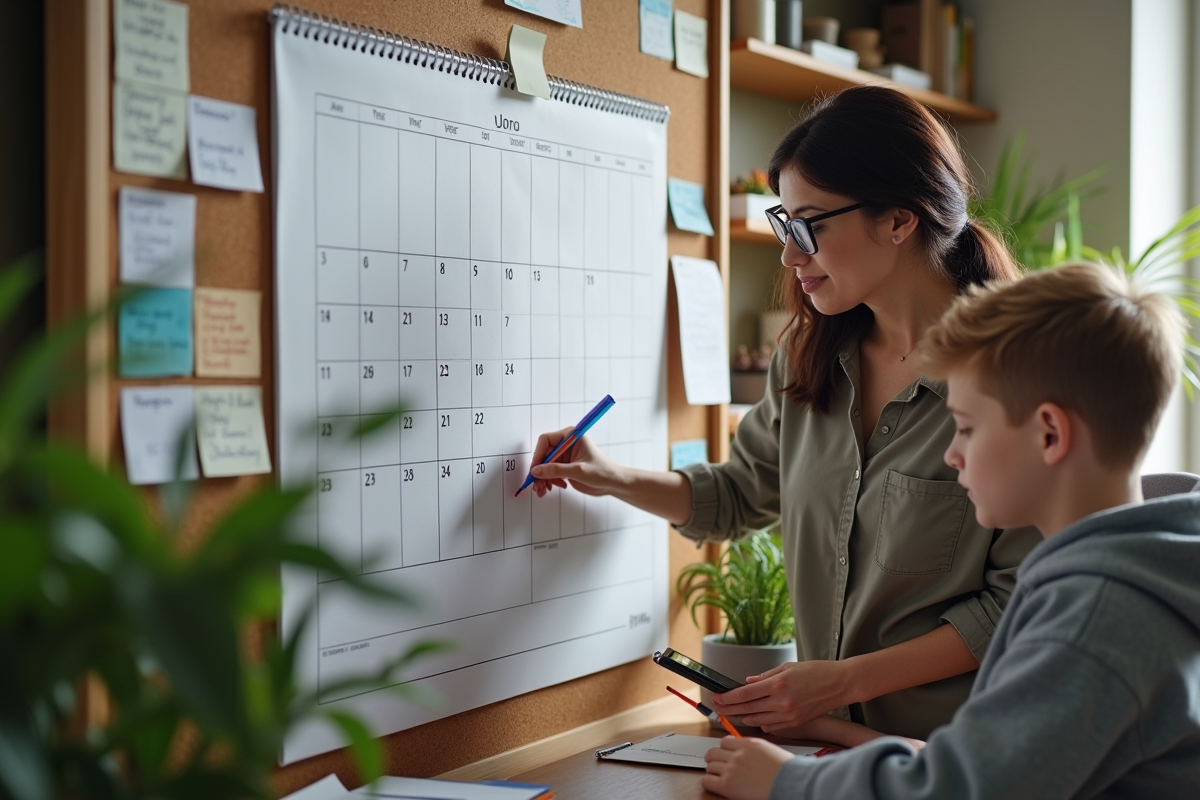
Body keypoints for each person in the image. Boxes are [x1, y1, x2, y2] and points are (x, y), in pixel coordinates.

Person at [528, 85, 1042, 739]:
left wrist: (844, 681)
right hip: (824, 748)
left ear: (898, 220)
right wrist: (609, 477)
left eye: (810, 226)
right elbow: (738, 496)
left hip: (955, 759)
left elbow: (1019, 601)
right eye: (784, 223)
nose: (790, 254)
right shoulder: (806, 357)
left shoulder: (1016, 375)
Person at [702, 262, 1200, 800]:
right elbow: (986, 764)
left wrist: (788, 783)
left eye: (966, 427)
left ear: (1050, 435)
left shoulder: (1091, 622)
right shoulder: (1124, 579)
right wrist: (830, 731)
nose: (952, 454)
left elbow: (961, 789)